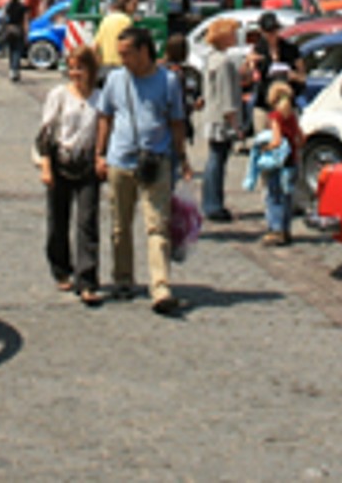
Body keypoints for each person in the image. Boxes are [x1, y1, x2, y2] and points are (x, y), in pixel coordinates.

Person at [93, 25, 191, 316]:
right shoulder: (114, 79)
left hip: (156, 160)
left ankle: (160, 287)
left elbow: (176, 121)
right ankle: (123, 279)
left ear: (144, 51)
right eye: (119, 54)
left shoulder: (168, 80)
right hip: (120, 161)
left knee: (156, 225)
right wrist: (99, 153)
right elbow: (105, 117)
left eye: (127, 54)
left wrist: (182, 157)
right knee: (120, 226)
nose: (122, 59)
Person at [36, 46, 104, 306]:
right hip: (60, 159)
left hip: (87, 164)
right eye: (72, 68)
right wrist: (45, 166)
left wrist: (101, 157)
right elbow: (45, 132)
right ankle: (61, 269)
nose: (75, 73)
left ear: (91, 70)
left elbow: (104, 130)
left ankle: (87, 280)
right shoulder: (59, 95)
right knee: (58, 222)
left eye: (80, 68)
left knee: (87, 221)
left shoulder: (100, 97)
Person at [198, 17, 241, 223]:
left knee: (215, 160)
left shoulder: (212, 58)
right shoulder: (223, 62)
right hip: (221, 119)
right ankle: (213, 204)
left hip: (212, 115)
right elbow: (226, 95)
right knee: (217, 161)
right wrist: (234, 123)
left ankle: (211, 201)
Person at [256, 81, 303, 246]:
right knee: (287, 197)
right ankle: (286, 229)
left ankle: (276, 230)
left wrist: (264, 148)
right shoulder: (292, 115)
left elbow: (276, 140)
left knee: (274, 196)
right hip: (292, 162)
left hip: (279, 163)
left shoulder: (275, 116)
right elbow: (301, 138)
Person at [94, 0, 138, 67]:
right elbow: (131, 44)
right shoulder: (126, 21)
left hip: (105, 64)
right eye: (134, 5)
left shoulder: (106, 19)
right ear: (126, 4)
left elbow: (95, 46)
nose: (136, 8)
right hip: (121, 64)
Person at [3, 0, 29, 81]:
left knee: (11, 50)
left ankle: (11, 70)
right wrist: (26, 33)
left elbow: (5, 17)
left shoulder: (9, 5)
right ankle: (15, 70)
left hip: (9, 29)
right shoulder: (23, 7)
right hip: (18, 30)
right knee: (17, 51)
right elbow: (25, 21)